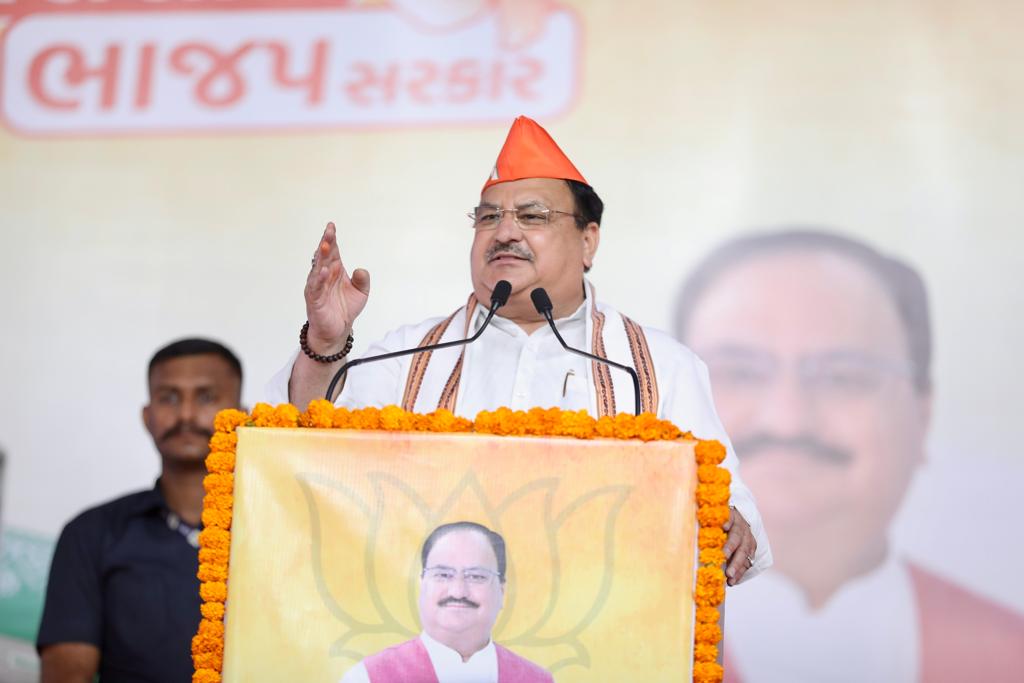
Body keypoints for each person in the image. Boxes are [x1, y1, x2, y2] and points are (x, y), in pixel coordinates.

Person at [266, 115, 770, 586]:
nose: (504, 232)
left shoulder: (657, 367)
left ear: (588, 241)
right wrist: (326, 343)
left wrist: (726, 523)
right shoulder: (406, 357)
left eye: (532, 216)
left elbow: (732, 525)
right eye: (487, 219)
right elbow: (305, 465)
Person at [674, 229, 1024, 682]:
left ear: (923, 413)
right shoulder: (616, 635)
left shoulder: (1009, 651)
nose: (788, 420)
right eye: (739, 372)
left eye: (843, 377)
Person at [37, 338, 243, 683]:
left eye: (206, 397)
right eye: (169, 398)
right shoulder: (91, 534)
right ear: (147, 417)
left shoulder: (277, 531)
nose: (187, 415)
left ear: (242, 416)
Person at [341, 521, 551, 683]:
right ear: (422, 584)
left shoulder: (536, 680)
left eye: (476, 576)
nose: (458, 591)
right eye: (443, 574)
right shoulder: (368, 678)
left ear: (502, 591)